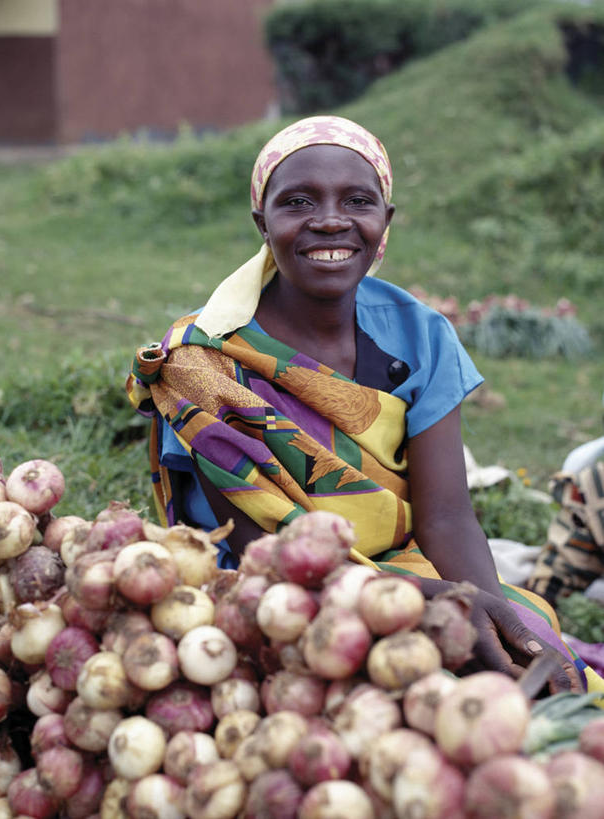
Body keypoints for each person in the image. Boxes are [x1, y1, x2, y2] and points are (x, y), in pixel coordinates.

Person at [128, 115, 604, 696]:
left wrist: (490, 614)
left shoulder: (420, 334)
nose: (330, 220)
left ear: (385, 222)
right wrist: (429, 602)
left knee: (538, 647)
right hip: (269, 593)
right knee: (380, 679)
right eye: (298, 202)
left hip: (406, 567)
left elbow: (446, 516)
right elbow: (266, 551)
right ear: (262, 223)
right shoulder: (202, 362)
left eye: (357, 201)